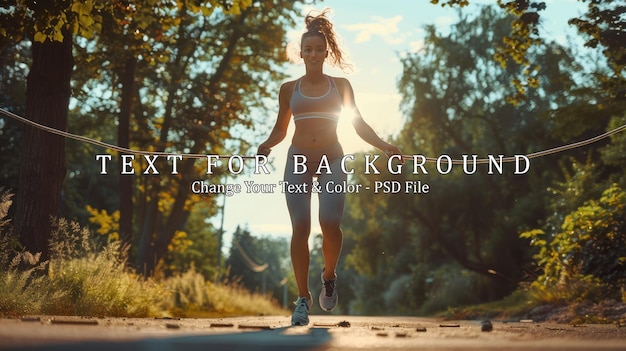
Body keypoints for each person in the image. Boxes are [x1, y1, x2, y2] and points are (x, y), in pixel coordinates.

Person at [257, 9, 403, 326]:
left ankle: (329, 275)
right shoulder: (287, 89)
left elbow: (358, 124)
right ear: (301, 53)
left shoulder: (342, 86)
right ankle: (303, 299)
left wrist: (385, 146)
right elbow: (281, 130)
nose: (312, 54)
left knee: (330, 222)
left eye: (317, 49)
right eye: (306, 49)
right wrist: (267, 145)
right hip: (297, 159)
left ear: (326, 52)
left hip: (332, 159)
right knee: (300, 227)